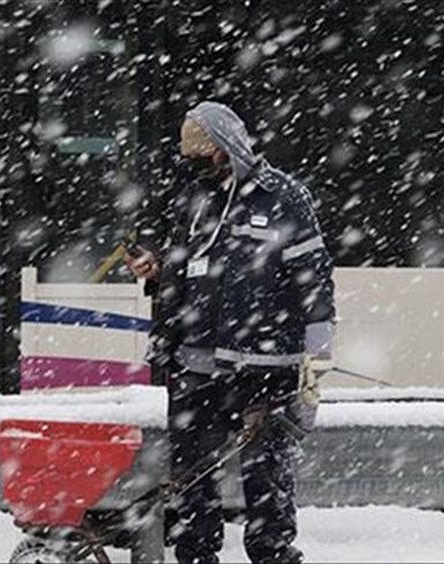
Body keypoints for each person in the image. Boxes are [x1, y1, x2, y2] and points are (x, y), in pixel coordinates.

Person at [125, 101, 335, 564]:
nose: (191, 162)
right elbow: (188, 272)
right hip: (194, 369)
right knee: (194, 483)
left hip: (265, 371)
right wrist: (156, 272)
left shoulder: (283, 197)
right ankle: (196, 556)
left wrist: (316, 363)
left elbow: (315, 283)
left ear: (225, 148)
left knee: (268, 484)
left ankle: (273, 557)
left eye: (199, 153)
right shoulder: (194, 200)